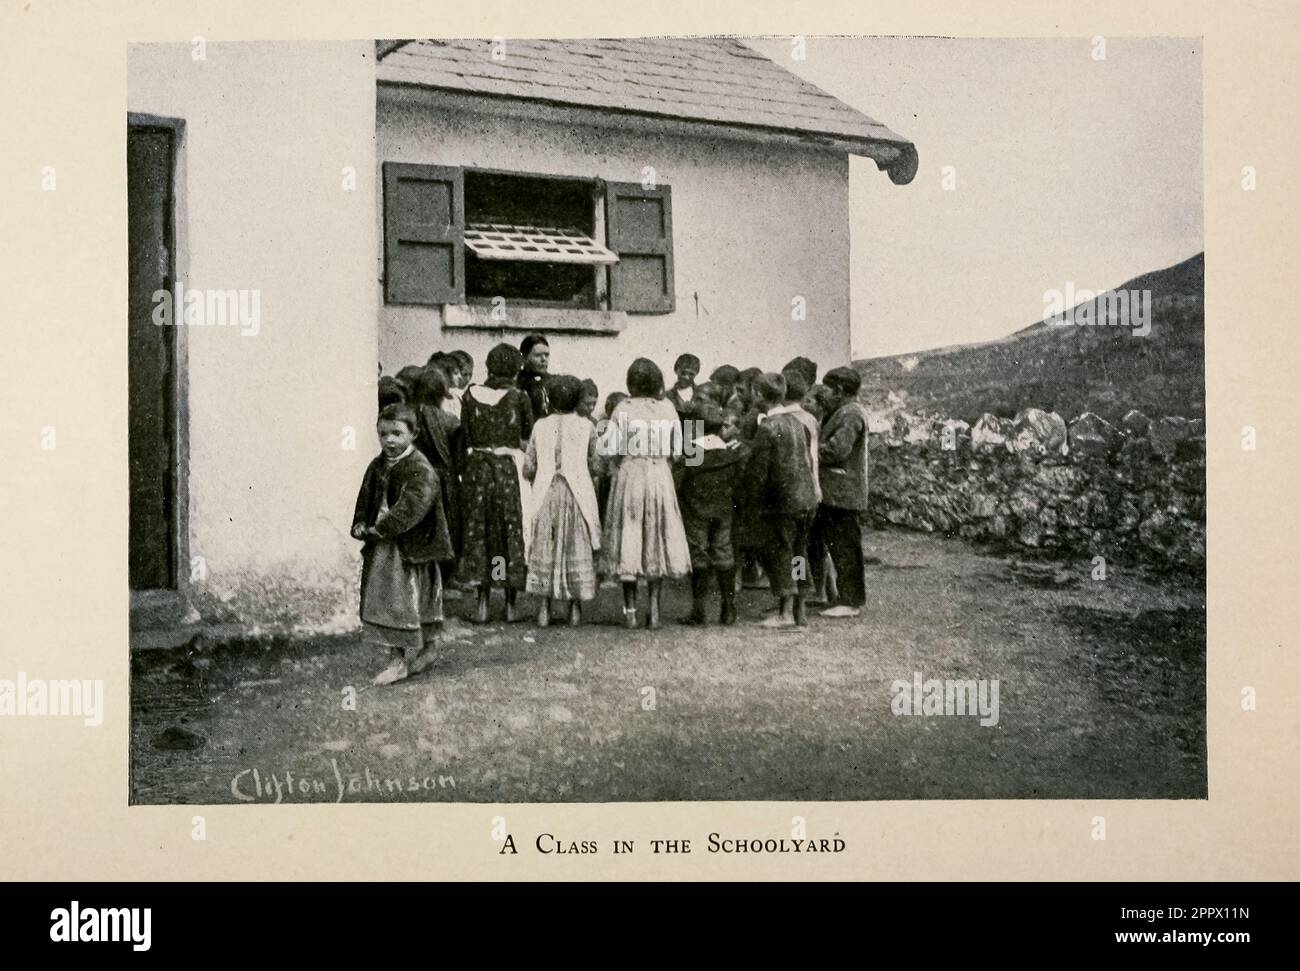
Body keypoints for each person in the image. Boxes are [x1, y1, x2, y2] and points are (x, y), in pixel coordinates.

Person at [352, 404, 454, 685]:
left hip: (412, 546)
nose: (390, 440)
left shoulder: (421, 468)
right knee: (389, 600)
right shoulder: (377, 465)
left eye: (397, 433)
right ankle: (396, 657)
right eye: (383, 434)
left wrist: (380, 528)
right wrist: (360, 522)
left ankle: (427, 649)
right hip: (384, 546)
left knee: (411, 599)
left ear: (413, 434)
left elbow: (412, 507)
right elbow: (366, 496)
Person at [601, 358, 692, 629]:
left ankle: (629, 610)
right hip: (659, 476)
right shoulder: (667, 408)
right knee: (656, 536)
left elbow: (608, 450)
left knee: (629, 536)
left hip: (630, 475)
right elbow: (680, 451)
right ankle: (653, 609)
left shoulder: (621, 408)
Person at [459, 343, 534, 623]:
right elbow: (527, 436)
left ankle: (482, 603)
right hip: (506, 470)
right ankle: (510, 602)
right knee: (506, 532)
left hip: (478, 469)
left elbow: (465, 436)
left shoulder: (470, 395)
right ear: (516, 370)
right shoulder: (519, 397)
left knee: (480, 530)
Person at [741, 372, 818, 628]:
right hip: (805, 500)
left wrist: (750, 503)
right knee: (799, 553)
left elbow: (758, 473)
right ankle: (800, 609)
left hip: (782, 503)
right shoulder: (797, 422)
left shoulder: (768, 427)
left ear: (759, 395)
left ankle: (785, 612)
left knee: (782, 553)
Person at [524, 375, 602, 627]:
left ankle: (544, 610)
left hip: (546, 492)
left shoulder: (539, 426)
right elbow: (596, 464)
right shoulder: (587, 426)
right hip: (577, 493)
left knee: (546, 544)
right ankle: (574, 610)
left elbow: (528, 467)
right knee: (575, 544)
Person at [676, 405, 748, 625]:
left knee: (699, 555)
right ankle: (728, 608)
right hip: (724, 511)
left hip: (696, 511)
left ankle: (699, 611)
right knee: (724, 554)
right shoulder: (730, 453)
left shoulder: (693, 453)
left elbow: (679, 481)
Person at [816, 366, 871, 618]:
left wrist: (808, 451)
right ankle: (843, 597)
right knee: (840, 546)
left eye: (827, 388)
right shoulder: (843, 411)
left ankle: (850, 601)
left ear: (838, 390)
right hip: (837, 492)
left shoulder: (850, 414)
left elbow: (838, 450)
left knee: (845, 547)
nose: (823, 393)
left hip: (843, 493)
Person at [412, 366, 464, 582]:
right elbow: (459, 459)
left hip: (416, 479)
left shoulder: (407, 417)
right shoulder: (451, 422)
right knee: (449, 528)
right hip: (444, 480)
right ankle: (447, 578)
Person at [517, 334, 551, 438]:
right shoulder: (518, 383)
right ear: (524, 357)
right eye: (538, 355)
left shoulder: (552, 381)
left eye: (546, 355)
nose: (544, 359)